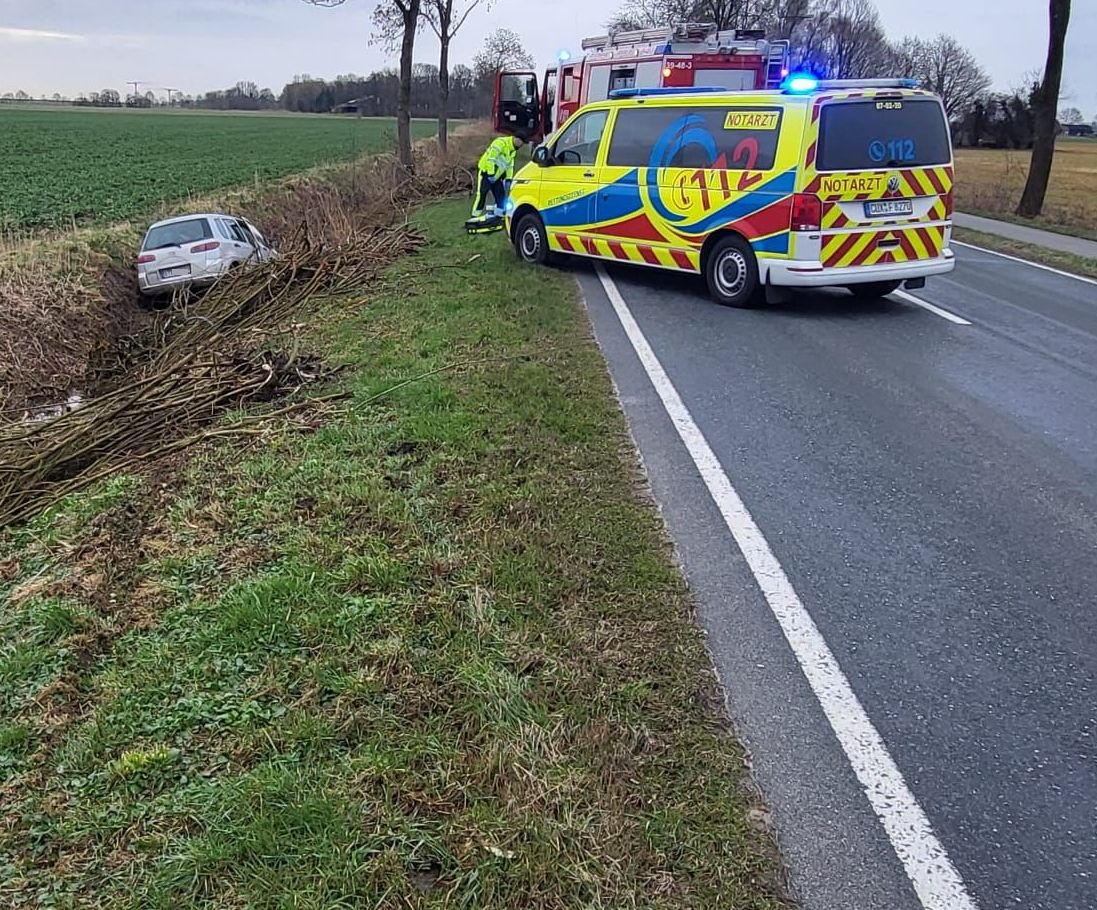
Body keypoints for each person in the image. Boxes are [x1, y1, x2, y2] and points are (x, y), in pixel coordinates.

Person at [471, 134, 525, 219]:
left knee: (501, 196)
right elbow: (491, 159)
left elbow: (509, 166)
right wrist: (491, 174)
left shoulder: (513, 151)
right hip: (486, 172)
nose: (522, 145)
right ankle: (474, 216)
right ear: (516, 138)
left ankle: (499, 216)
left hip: (497, 176)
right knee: (482, 194)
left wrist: (508, 179)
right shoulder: (500, 143)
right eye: (522, 142)